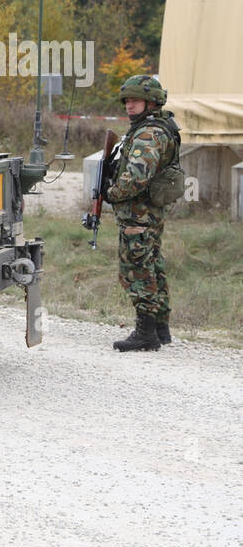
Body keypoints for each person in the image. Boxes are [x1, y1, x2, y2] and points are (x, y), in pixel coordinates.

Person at [105, 74, 179, 352]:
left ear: (151, 102)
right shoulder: (157, 127)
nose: (129, 105)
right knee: (153, 265)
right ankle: (160, 328)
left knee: (137, 268)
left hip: (139, 214)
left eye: (135, 100)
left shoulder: (148, 133)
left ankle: (146, 332)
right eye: (127, 100)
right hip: (149, 213)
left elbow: (136, 177)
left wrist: (111, 194)